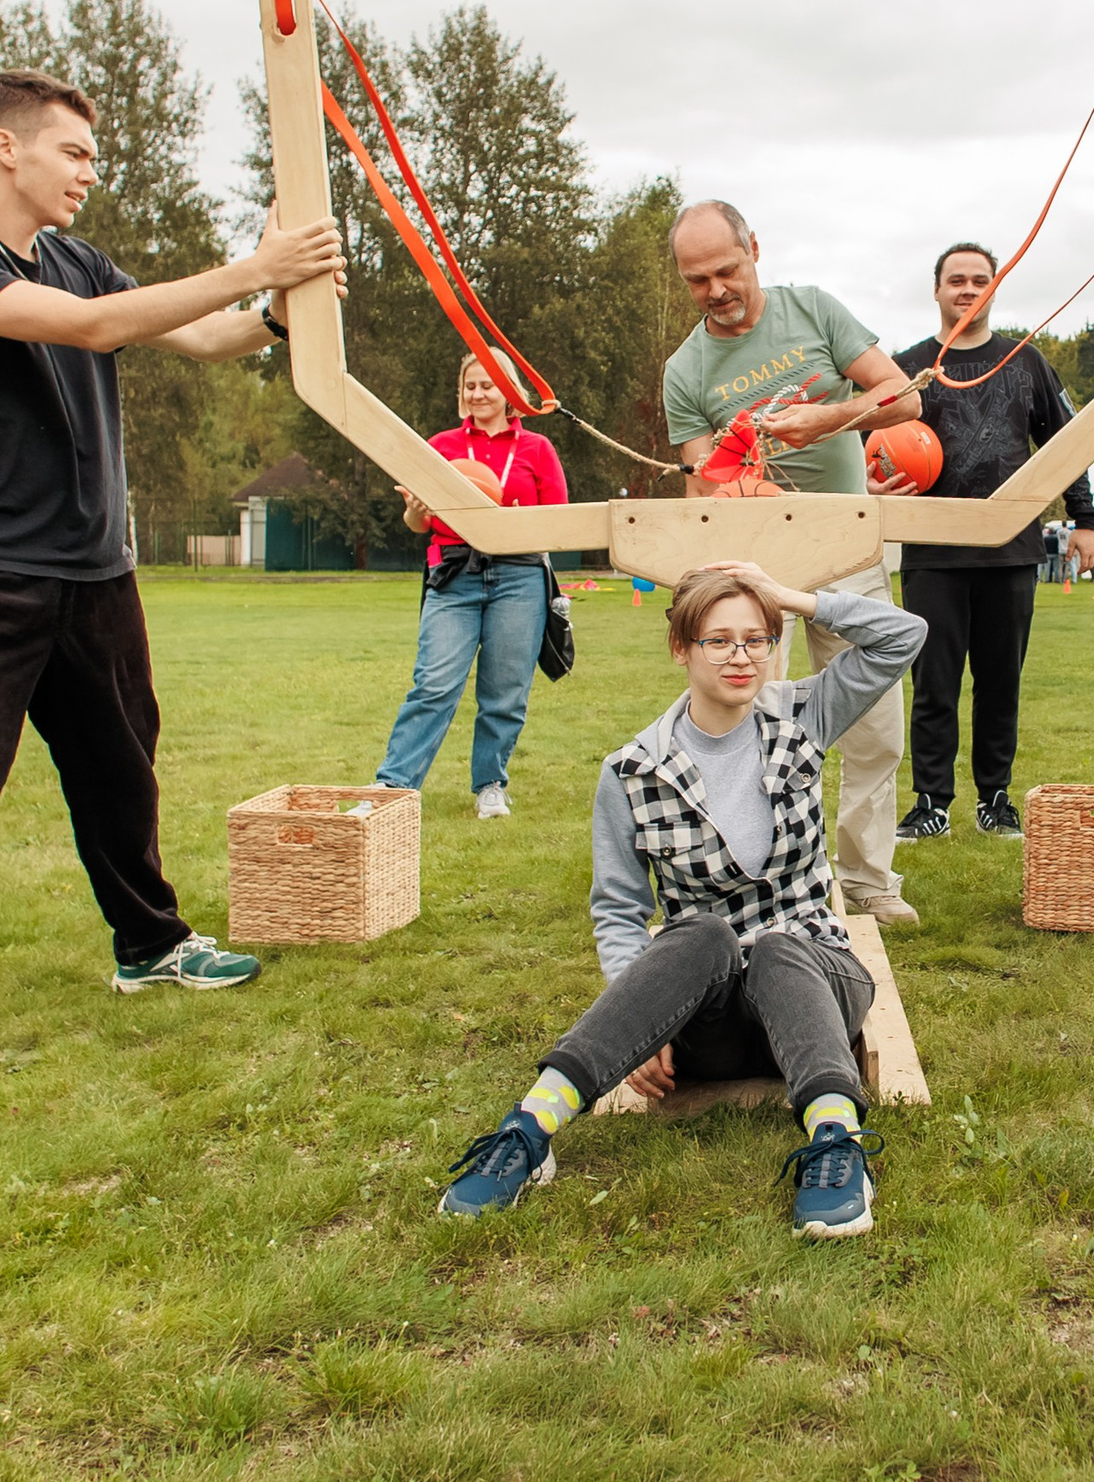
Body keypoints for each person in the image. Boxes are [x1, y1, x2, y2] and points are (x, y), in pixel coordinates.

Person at [0, 68, 346, 1121]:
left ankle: (149, 946)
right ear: (5, 148)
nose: (90, 175)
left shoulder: (76, 258)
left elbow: (201, 334)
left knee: (120, 769)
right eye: (74, 154)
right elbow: (95, 329)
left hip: (91, 571)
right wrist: (254, 263)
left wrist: (285, 307)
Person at [437, 560, 923, 1239]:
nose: (741, 656)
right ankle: (527, 1131)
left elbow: (904, 634)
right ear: (681, 648)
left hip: (813, 991)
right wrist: (641, 1028)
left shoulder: (804, 714)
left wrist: (790, 595)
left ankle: (837, 1145)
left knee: (783, 944)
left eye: (756, 638)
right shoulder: (633, 771)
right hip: (712, 1023)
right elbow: (617, 907)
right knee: (698, 934)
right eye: (719, 640)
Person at [662, 201, 925, 926]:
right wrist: (744, 486)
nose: (714, 289)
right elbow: (698, 483)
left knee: (874, 724)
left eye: (726, 269)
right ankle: (752, 877)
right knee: (743, 725)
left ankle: (867, 879)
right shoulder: (685, 369)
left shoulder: (812, 310)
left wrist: (828, 417)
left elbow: (905, 397)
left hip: (847, 545)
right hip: (751, 569)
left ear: (755, 248)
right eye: (696, 279)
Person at [879, 243, 1094, 841]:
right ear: (937, 290)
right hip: (932, 553)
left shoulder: (1027, 364)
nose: (968, 289)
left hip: (1011, 549)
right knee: (934, 684)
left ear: (995, 288)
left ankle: (995, 799)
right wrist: (880, 489)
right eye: (956, 280)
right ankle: (931, 804)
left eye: (980, 280)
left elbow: (1069, 442)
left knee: (1000, 683)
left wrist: (1086, 518)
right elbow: (872, 450)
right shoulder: (907, 368)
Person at [374, 349, 568, 817]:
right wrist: (416, 512)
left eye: (489, 384)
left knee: (505, 689)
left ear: (509, 392)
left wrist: (520, 525)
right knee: (434, 683)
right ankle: (394, 787)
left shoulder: (537, 449)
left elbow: (560, 521)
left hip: (519, 575)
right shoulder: (439, 445)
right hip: (454, 574)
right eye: (471, 385)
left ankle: (490, 785)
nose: (478, 393)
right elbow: (416, 523)